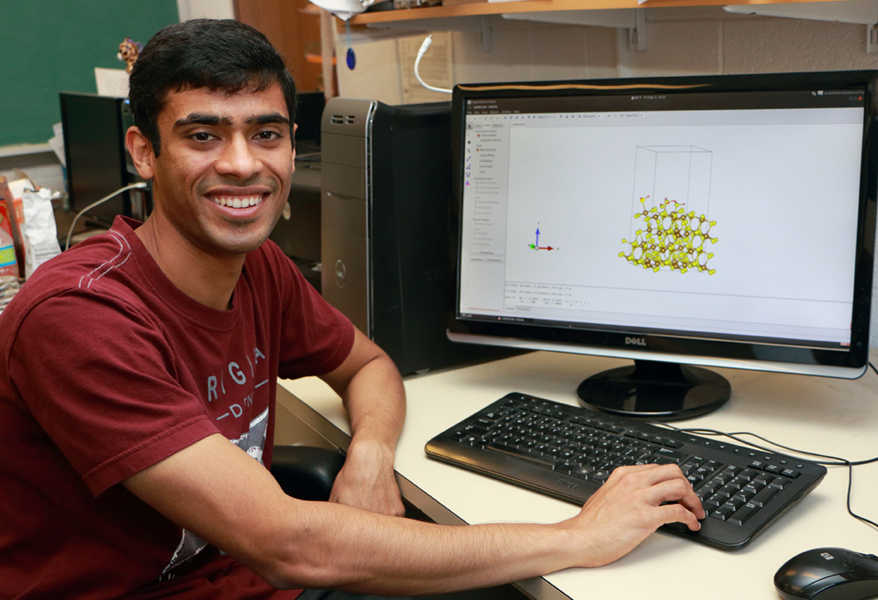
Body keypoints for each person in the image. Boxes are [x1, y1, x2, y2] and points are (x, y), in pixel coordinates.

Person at [0, 19, 704, 600]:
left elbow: (367, 366)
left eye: (266, 134)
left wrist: (369, 453)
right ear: (144, 152)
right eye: (204, 135)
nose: (243, 164)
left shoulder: (260, 270)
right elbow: (288, 544)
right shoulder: (80, 317)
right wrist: (578, 537)